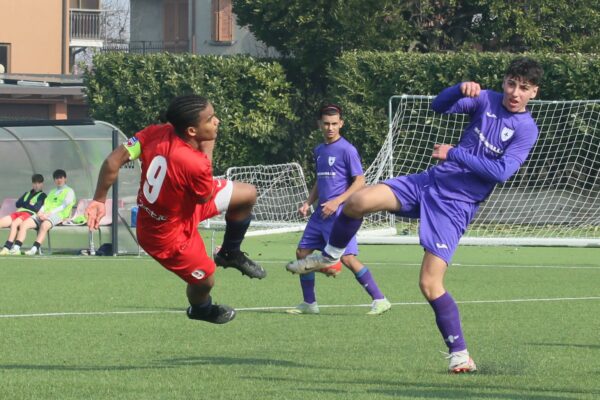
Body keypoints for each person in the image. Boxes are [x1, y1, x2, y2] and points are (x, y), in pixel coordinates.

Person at [286, 57, 544, 373]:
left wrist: (456, 153)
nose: (515, 92)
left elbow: (502, 172)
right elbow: (439, 106)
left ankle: (460, 355)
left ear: (534, 92)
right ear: (504, 81)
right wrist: (457, 88)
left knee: (429, 284)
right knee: (357, 202)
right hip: (429, 182)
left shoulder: (526, 129)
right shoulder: (486, 99)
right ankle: (331, 255)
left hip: (456, 205)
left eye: (524, 87)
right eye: (511, 83)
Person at [85, 94, 266, 325]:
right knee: (206, 281)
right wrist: (208, 150)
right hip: (165, 235)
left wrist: (99, 199)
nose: (217, 121)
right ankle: (201, 308)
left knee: (247, 194)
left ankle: (229, 253)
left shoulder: (155, 132)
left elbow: (113, 161)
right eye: (211, 119)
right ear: (192, 131)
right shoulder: (195, 162)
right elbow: (205, 196)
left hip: (183, 209)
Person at [286, 104, 391, 316]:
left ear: (341, 124)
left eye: (334, 124)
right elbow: (320, 180)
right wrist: (308, 202)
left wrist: (337, 201)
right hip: (320, 215)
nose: (330, 128)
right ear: (319, 124)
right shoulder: (319, 150)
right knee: (302, 253)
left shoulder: (347, 150)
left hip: (340, 215)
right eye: (326, 123)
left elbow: (360, 181)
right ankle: (309, 303)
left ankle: (380, 299)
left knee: (347, 259)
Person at [8, 169, 76, 255]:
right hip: (44, 214)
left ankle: (34, 249)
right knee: (24, 224)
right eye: (56, 178)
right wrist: (40, 212)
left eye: (61, 178)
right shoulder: (52, 192)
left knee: (44, 225)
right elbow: (45, 205)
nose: (59, 180)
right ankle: (16, 248)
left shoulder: (69, 191)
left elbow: (64, 206)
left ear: (65, 179)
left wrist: (48, 214)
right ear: (54, 180)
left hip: (59, 215)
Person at [0, 174, 47, 255]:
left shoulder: (43, 195)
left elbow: (36, 208)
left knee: (14, 224)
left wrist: (24, 203)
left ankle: (7, 247)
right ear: (32, 184)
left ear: (42, 184)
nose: (36, 185)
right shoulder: (27, 193)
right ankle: (10, 248)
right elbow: (17, 204)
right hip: (18, 212)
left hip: (28, 214)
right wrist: (28, 203)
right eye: (35, 183)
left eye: (39, 183)